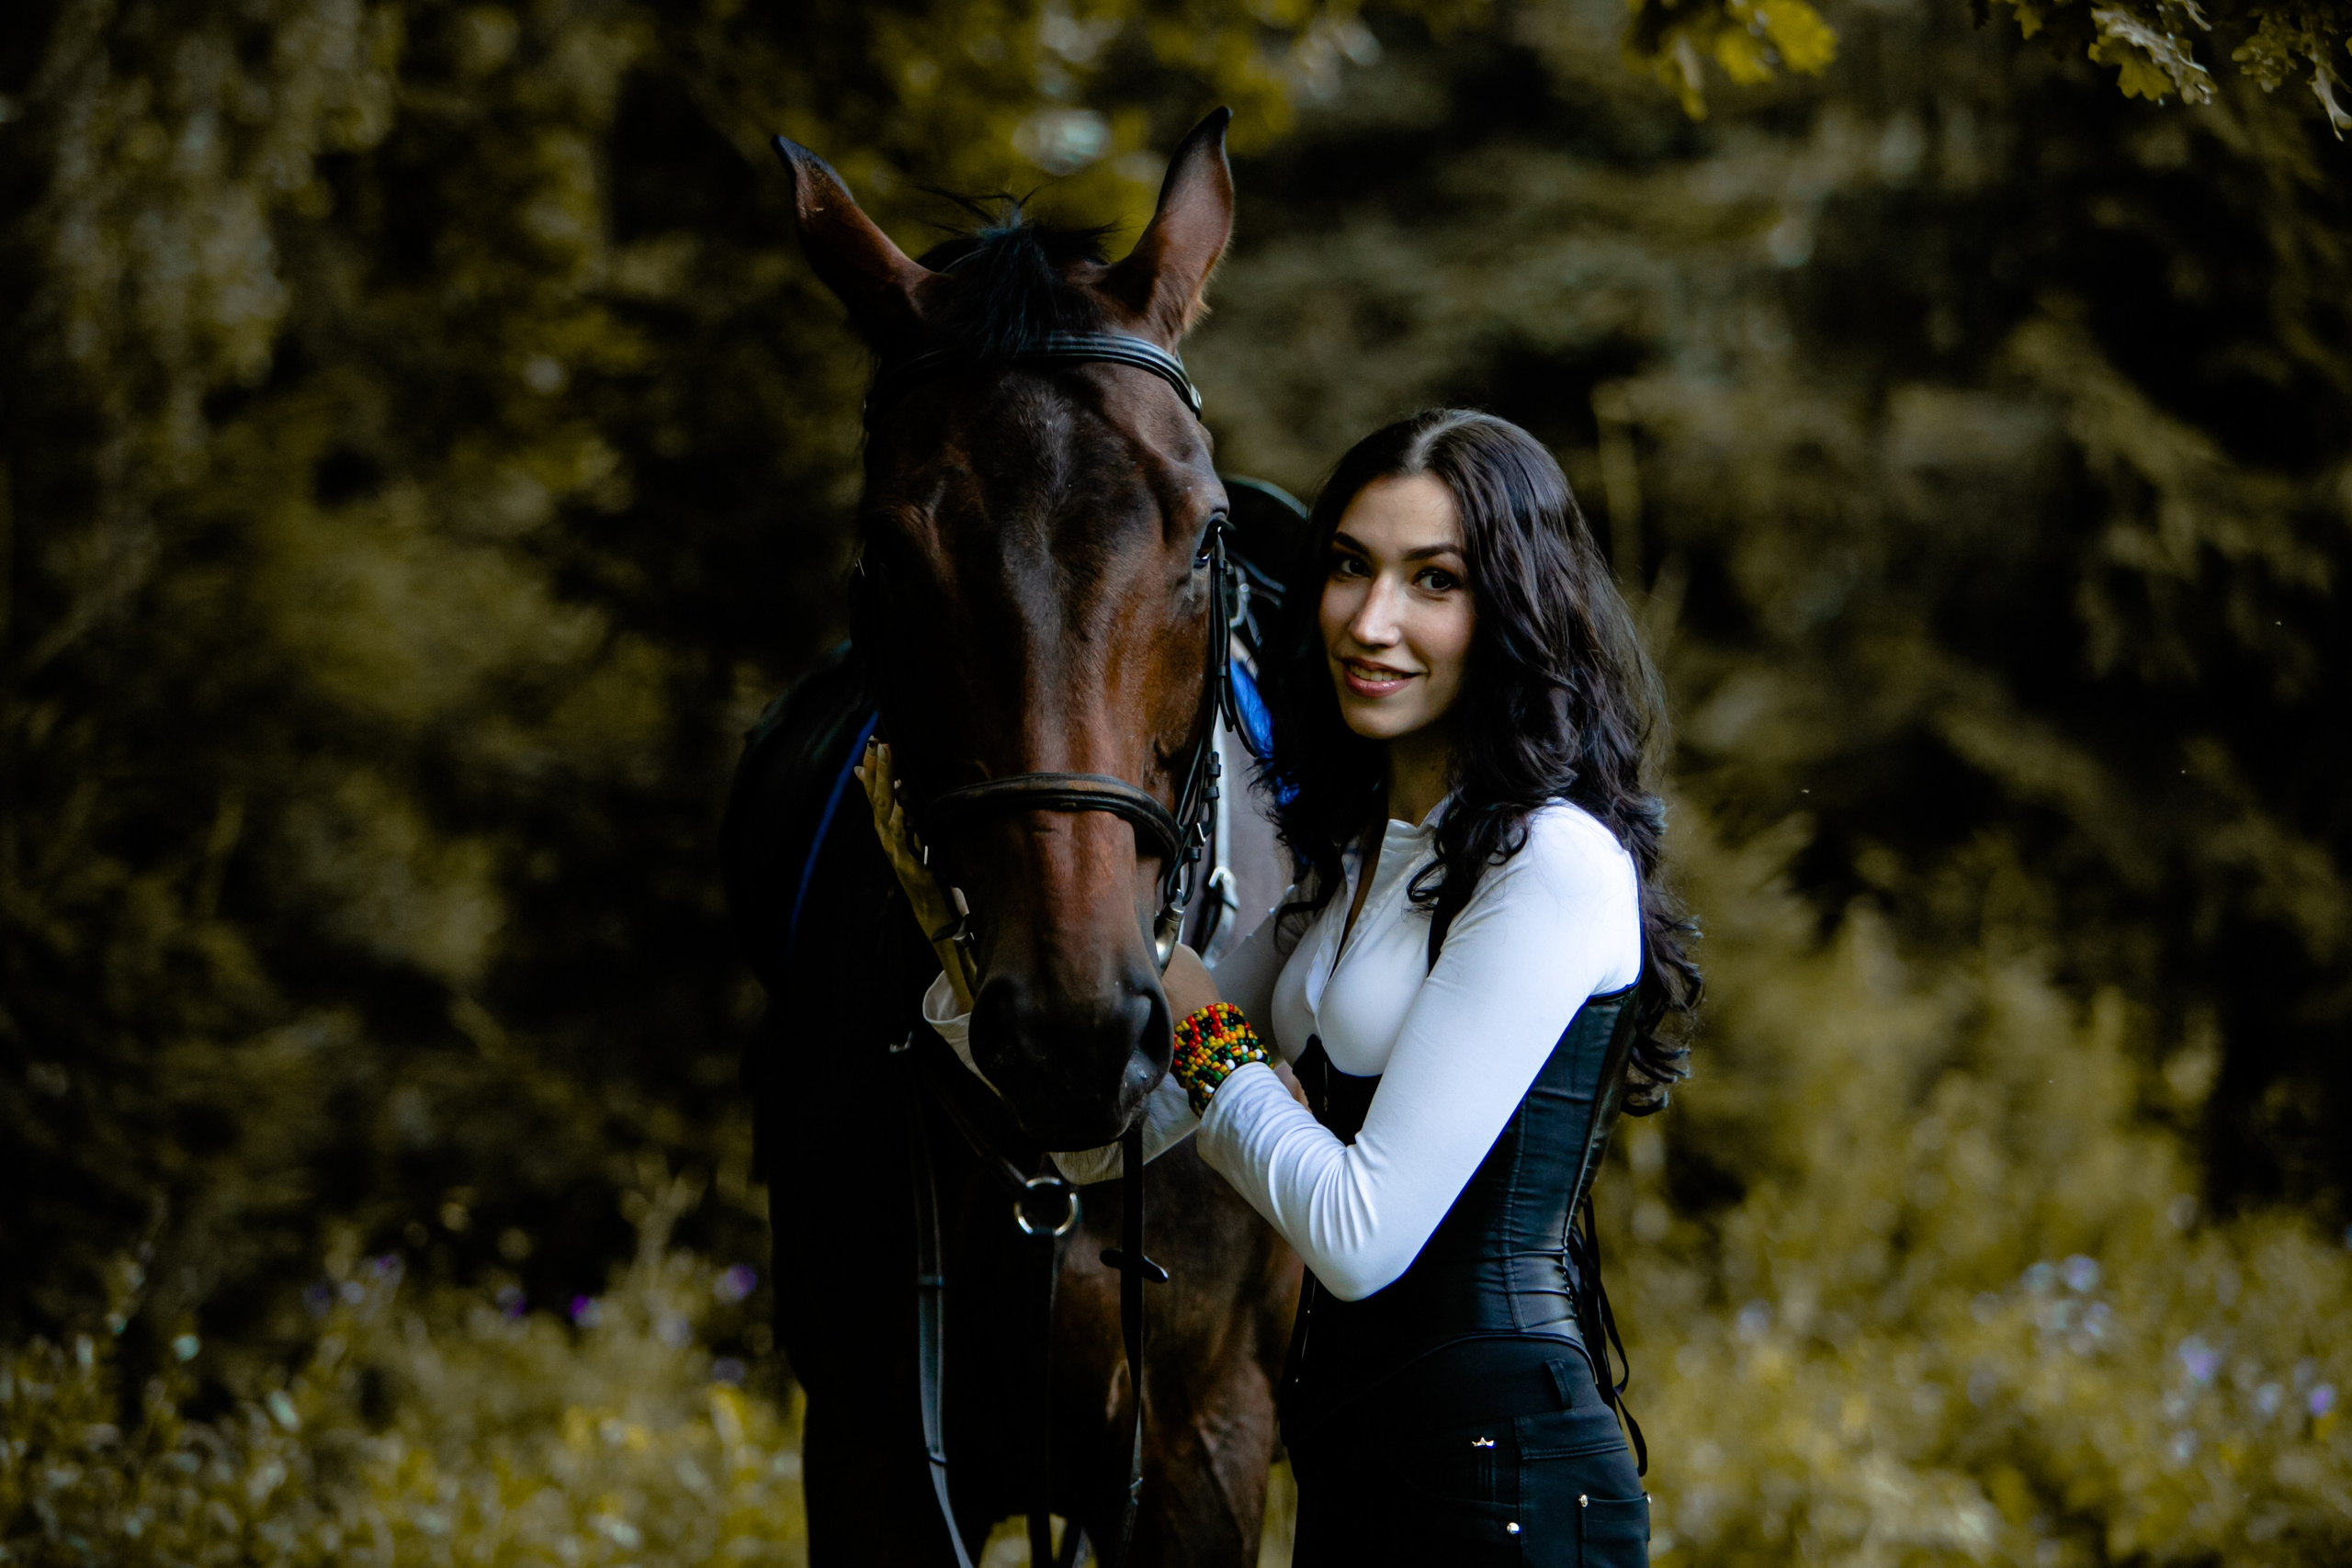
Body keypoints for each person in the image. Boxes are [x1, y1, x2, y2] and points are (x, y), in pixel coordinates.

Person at [859, 408, 1699, 1564]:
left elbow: (1356, 1232)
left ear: (1512, 609)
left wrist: (1205, 1023)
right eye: (1349, 566)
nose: (1372, 621)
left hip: (1507, 1484)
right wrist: (953, 942)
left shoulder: (1547, 863)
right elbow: (1117, 1138)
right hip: (1356, 1474)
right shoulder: (1354, 862)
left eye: (1434, 581)